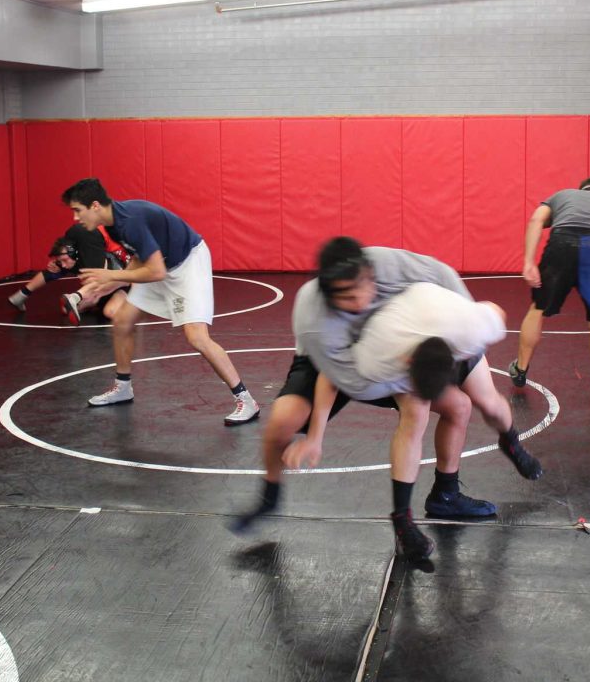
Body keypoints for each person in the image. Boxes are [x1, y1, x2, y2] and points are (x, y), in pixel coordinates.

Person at [231, 238, 543, 562]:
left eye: (362, 290)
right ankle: (271, 493)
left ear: (371, 274)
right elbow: (334, 379)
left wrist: (458, 328)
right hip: (352, 360)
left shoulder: (397, 270)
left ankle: (459, 485)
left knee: (471, 404)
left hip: (424, 338)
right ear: (329, 294)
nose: (360, 302)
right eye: (347, 298)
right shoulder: (321, 326)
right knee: (283, 419)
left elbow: (454, 283)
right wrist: (315, 437)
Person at [61, 178, 259, 425]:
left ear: (94, 206)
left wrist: (112, 275)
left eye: (77, 210)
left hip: (187, 263)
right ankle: (123, 387)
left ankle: (246, 400)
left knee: (197, 337)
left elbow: (155, 273)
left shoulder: (129, 222)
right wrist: (106, 287)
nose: (75, 218)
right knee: (122, 320)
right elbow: (139, 260)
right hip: (161, 264)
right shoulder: (112, 224)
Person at [507, 176, 590, 409]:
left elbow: (536, 220)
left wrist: (528, 261)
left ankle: (520, 370)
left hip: (562, 242)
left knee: (538, 310)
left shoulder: (563, 195)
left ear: (582, 189)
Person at [7, 225, 130, 325]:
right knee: (68, 308)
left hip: (120, 286)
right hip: (103, 287)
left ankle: (80, 298)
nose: (64, 265)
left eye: (65, 260)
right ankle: (22, 295)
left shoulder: (99, 254)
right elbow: (49, 273)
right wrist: (23, 293)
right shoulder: (74, 258)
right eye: (61, 261)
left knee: (110, 311)